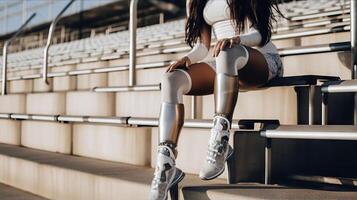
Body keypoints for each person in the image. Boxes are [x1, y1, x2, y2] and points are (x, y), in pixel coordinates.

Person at [150, 0, 284, 199]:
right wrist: (188, 58)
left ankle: (220, 140)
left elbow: (261, 35)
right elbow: (202, 47)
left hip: (261, 60)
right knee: (171, 80)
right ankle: (165, 166)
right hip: (225, 60)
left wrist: (237, 40)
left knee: (226, 53)